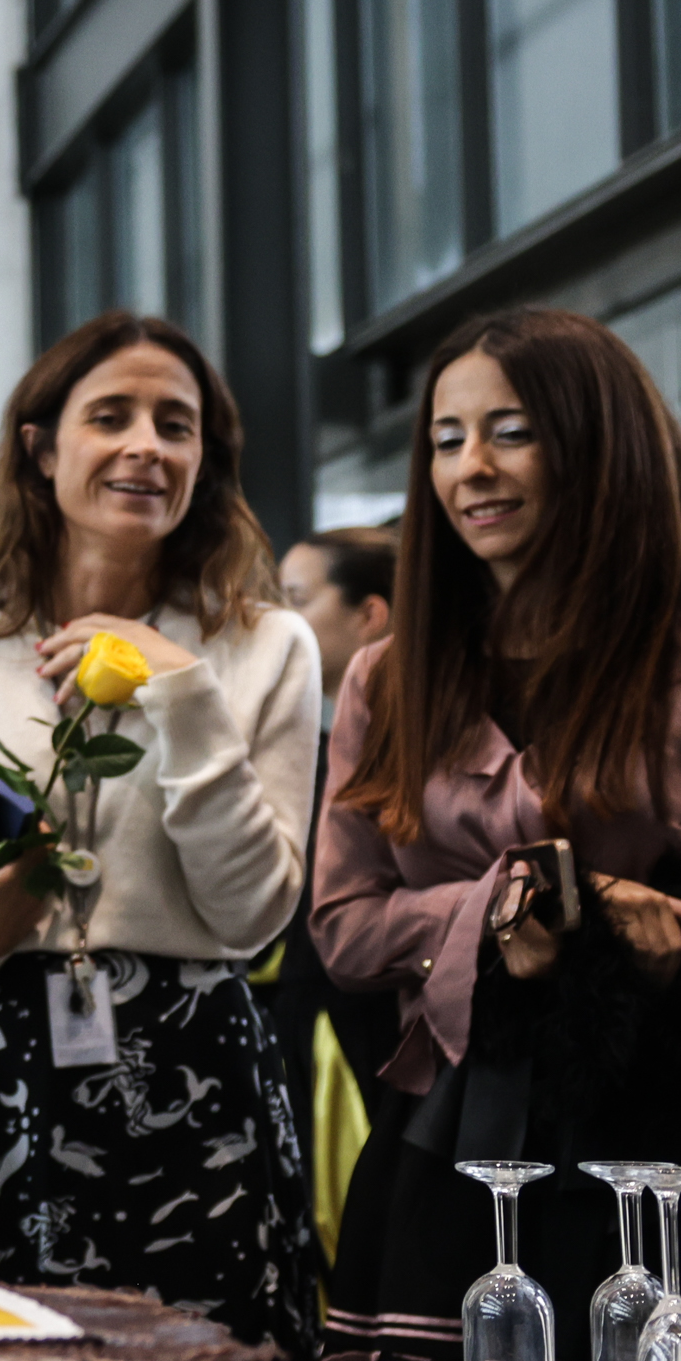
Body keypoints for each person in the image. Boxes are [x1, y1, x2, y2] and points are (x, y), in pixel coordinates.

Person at [314, 309, 681, 1361]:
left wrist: (666, 937)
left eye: (512, 431)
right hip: (452, 1142)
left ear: (598, 443)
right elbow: (345, 928)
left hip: (671, 1144)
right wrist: (492, 916)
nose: (472, 470)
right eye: (447, 440)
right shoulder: (387, 678)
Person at [0, 312, 324, 1354]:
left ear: (204, 463)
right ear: (43, 448)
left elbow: (251, 917)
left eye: (176, 426)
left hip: (193, 1067)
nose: (148, 444)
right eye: (112, 416)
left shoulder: (265, 646)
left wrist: (179, 692)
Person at [266, 526, 399, 1269]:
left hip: (364, 1037)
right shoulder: (306, 745)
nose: (281, 622)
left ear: (371, 614)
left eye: (298, 600)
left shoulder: (401, 752)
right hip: (311, 1022)